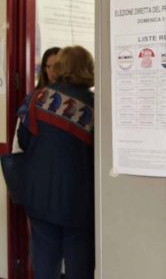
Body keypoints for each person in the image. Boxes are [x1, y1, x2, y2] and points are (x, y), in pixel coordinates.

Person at [16, 45, 95, 279]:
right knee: (79, 263)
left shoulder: (36, 98)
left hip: (40, 196)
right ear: (87, 68)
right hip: (79, 199)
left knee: (45, 263)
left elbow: (23, 140)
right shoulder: (96, 105)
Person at [12, 47, 61, 154]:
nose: (54, 71)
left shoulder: (72, 100)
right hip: (36, 161)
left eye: (58, 66)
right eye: (50, 66)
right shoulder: (32, 99)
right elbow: (17, 144)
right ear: (44, 68)